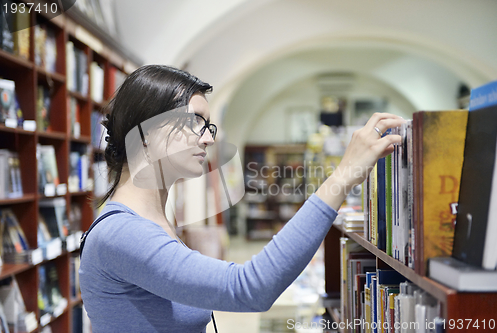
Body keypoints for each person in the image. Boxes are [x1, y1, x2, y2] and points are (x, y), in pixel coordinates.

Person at [79, 64, 404, 333]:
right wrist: (342, 177)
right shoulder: (122, 234)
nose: (208, 138)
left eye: (210, 126)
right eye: (196, 122)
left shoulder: (155, 223)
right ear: (146, 132)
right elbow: (250, 288)